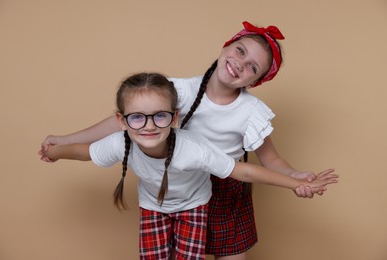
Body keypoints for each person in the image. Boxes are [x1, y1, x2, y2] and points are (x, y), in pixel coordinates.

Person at [39, 22, 335, 259]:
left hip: (227, 185)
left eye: (252, 68)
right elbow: (120, 126)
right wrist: (63, 141)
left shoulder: (251, 111)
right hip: (175, 179)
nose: (240, 64)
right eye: (240, 51)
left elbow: (269, 160)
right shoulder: (178, 90)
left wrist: (296, 177)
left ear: (254, 82)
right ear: (227, 46)